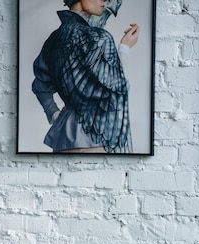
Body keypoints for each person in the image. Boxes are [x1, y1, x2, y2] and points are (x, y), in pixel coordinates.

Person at [32, 0, 139, 153]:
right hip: (99, 139)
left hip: (63, 141)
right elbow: (117, 90)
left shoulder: (53, 39)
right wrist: (124, 48)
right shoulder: (101, 37)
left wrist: (55, 115)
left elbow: (41, 86)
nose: (105, 1)